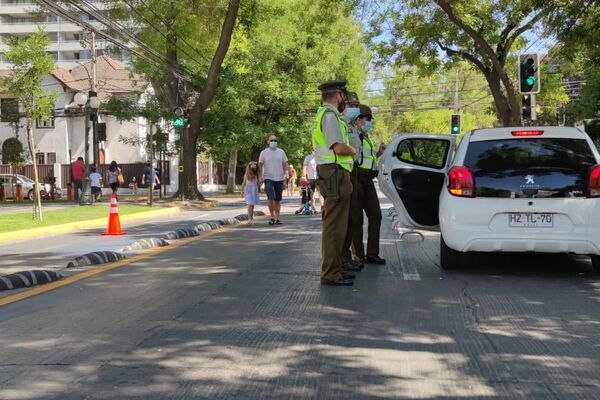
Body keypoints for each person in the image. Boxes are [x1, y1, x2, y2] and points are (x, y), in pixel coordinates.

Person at [313, 78, 356, 286]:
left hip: (335, 174)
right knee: (333, 227)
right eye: (342, 96)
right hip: (334, 174)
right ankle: (330, 272)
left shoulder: (329, 116)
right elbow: (338, 147)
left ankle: (335, 269)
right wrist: (353, 151)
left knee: (338, 227)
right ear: (338, 95)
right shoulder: (329, 116)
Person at [354, 104, 386, 264]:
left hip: (368, 180)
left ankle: (372, 253)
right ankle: (358, 255)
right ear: (358, 120)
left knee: (376, 216)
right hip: (357, 178)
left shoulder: (365, 138)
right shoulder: (353, 135)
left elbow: (368, 157)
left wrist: (379, 153)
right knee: (357, 219)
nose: (369, 123)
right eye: (367, 120)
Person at [340, 92, 365, 273]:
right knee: (345, 219)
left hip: (354, 171)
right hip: (343, 172)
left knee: (353, 217)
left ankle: (347, 256)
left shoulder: (353, 126)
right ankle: (341, 258)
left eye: (357, 104)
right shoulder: (340, 123)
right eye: (351, 104)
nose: (355, 108)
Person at [259, 135, 289, 225]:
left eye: (275, 140)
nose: (273, 141)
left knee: (277, 199)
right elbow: (260, 164)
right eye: (271, 140)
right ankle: (272, 217)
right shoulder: (264, 153)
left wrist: (286, 173)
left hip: (279, 178)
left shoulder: (281, 152)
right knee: (271, 197)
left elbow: (285, 163)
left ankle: (277, 218)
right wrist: (260, 176)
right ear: (268, 142)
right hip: (268, 177)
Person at [242, 161, 260, 225]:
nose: (254, 166)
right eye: (252, 165)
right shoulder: (247, 174)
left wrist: (260, 183)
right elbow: (244, 183)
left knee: (252, 205)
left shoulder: (256, 174)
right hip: (248, 191)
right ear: (249, 167)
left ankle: (251, 217)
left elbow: (258, 183)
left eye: (255, 165)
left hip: (254, 191)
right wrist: (242, 192)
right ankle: (249, 218)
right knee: (250, 204)